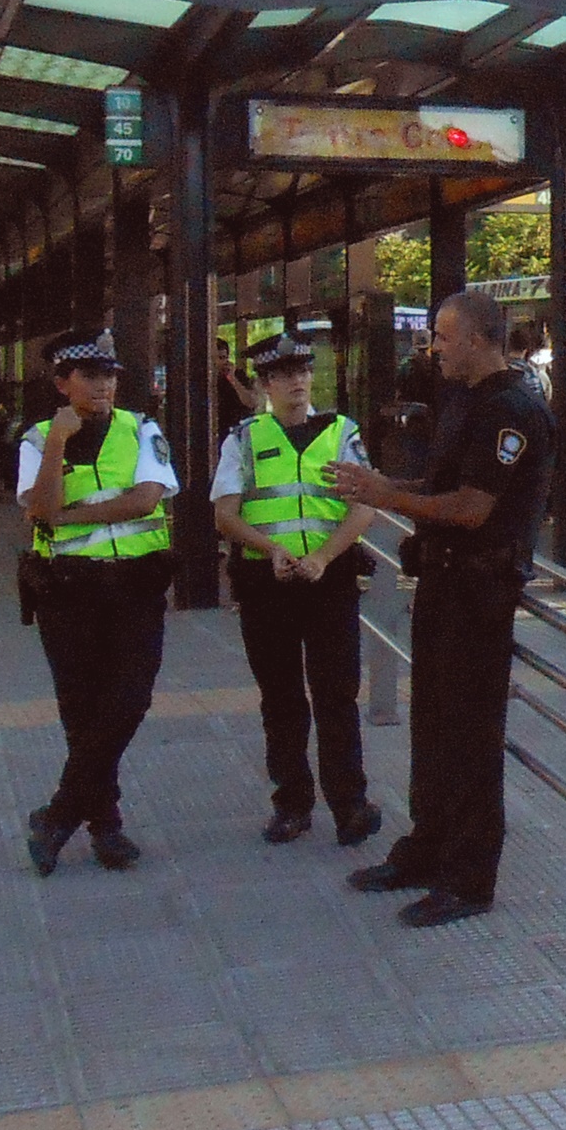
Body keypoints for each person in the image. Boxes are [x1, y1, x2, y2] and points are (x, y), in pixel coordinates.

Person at [329, 289, 552, 928]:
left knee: (469, 738)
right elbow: (438, 487)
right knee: (431, 726)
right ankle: (426, 849)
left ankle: (469, 876)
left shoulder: (512, 409)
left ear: (480, 340)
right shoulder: (465, 399)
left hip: (480, 594)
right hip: (442, 586)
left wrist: (385, 498)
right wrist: (382, 487)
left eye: (444, 337)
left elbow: (471, 507)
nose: (435, 348)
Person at [210, 332, 384, 849]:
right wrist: (273, 552)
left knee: (337, 694)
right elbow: (224, 515)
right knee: (281, 697)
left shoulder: (341, 433)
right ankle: (291, 804)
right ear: (264, 384)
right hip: (268, 583)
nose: (298, 383)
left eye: (304, 372)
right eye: (285, 375)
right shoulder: (243, 438)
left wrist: (323, 557)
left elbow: (364, 506)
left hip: (329, 581)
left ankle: (350, 805)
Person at [16, 328, 178, 876]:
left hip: (135, 585)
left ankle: (59, 813)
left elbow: (146, 499)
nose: (104, 385)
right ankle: (106, 827)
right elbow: (39, 507)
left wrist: (69, 514)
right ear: (63, 383)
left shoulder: (142, 428)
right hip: (67, 591)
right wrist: (59, 445)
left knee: (130, 700)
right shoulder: (37, 439)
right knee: (82, 712)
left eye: (110, 375)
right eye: (90, 375)